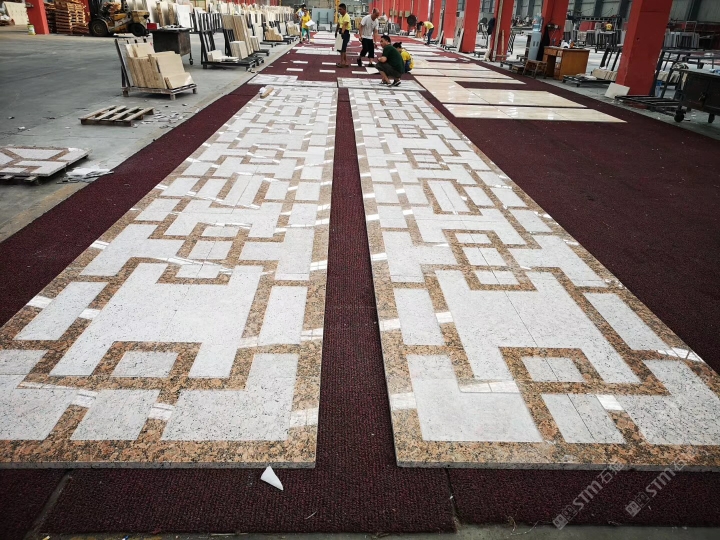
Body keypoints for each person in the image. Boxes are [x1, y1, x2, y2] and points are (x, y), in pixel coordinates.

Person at [335, 3, 351, 68]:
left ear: (344, 9)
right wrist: (336, 32)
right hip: (340, 32)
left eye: (340, 9)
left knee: (343, 49)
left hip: (345, 33)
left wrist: (342, 33)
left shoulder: (347, 16)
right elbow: (338, 24)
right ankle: (346, 62)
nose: (339, 11)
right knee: (340, 49)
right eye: (339, 9)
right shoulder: (340, 16)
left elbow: (344, 25)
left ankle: (342, 63)